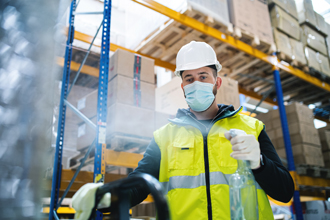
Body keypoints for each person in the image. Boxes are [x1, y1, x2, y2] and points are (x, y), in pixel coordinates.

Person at [72, 41, 294, 220]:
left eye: (203, 77)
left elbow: (284, 193)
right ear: (183, 87)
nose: (196, 83)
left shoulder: (251, 128)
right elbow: (139, 185)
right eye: (189, 78)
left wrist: (260, 163)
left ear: (217, 82)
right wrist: (106, 197)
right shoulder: (164, 137)